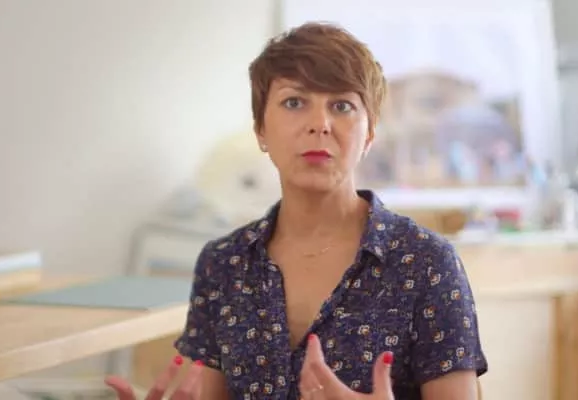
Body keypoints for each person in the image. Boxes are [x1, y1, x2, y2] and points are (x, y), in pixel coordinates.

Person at [106, 21, 488, 400]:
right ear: (261, 129)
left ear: (370, 133)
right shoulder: (222, 265)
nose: (319, 124)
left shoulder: (426, 262)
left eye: (341, 106)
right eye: (294, 102)